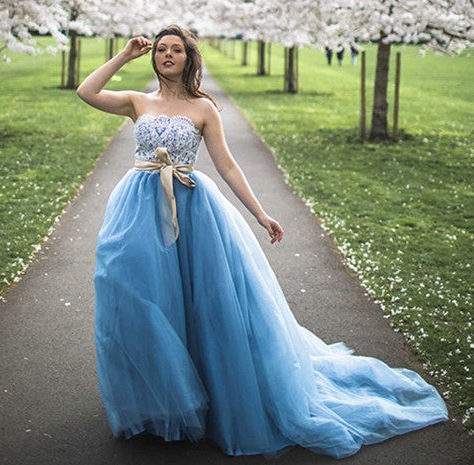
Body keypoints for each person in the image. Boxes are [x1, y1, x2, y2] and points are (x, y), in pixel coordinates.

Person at [77, 24, 448, 458]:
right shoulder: (138, 102)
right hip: (139, 208)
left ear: (189, 58)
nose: (167, 55)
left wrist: (260, 213)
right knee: (135, 295)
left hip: (192, 210)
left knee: (201, 303)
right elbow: (86, 92)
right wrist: (124, 56)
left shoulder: (203, 108)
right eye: (161, 49)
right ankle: (155, 399)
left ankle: (203, 395)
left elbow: (228, 166)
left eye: (176, 49)